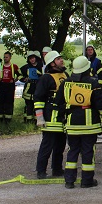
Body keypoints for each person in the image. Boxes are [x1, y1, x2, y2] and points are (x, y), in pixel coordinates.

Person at [54, 55, 102, 189]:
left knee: (72, 150)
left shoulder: (65, 83)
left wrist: (64, 116)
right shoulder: (94, 84)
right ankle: (87, 181)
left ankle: (69, 181)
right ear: (87, 68)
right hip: (90, 125)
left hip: (72, 125)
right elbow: (101, 104)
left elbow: (58, 102)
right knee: (88, 152)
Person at [33, 51, 69, 179]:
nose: (61, 60)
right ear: (52, 63)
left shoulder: (65, 75)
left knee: (60, 145)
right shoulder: (46, 78)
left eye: (61, 58)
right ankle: (41, 171)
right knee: (47, 145)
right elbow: (38, 99)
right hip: (50, 117)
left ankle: (57, 169)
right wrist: (40, 117)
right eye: (58, 59)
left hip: (62, 117)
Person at [0, 51, 21, 124]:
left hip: (10, 87)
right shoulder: (0, 66)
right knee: (0, 102)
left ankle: (8, 119)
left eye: (7, 57)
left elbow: (20, 75)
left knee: (9, 103)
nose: (5, 58)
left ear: (10, 57)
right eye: (4, 57)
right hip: (1, 85)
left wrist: (14, 80)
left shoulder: (14, 66)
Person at [19, 51, 43, 123]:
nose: (32, 60)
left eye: (33, 58)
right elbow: (18, 73)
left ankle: (37, 121)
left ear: (35, 58)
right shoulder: (26, 67)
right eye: (30, 59)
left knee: (37, 106)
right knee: (29, 105)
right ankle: (28, 121)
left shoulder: (40, 66)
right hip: (28, 88)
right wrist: (24, 79)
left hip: (38, 88)